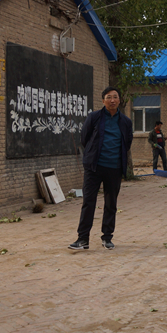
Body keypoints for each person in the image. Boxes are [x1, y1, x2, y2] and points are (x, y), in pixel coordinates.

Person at [69, 86, 133, 251]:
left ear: (119, 100)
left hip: (114, 168)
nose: (112, 100)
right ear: (103, 100)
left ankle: (107, 237)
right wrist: (93, 154)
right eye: (109, 97)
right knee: (88, 202)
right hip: (94, 167)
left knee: (111, 204)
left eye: (115, 97)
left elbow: (127, 143)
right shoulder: (94, 117)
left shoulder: (126, 122)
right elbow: (85, 138)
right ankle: (83, 239)